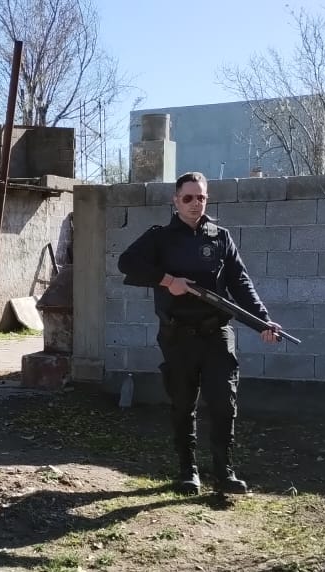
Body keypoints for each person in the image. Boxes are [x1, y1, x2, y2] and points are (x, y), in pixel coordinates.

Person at [117, 171, 283, 496]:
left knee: (224, 402)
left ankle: (224, 473)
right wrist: (168, 281)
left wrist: (263, 321)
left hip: (217, 333)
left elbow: (241, 283)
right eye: (188, 198)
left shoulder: (220, 237)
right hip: (178, 336)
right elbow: (127, 263)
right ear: (175, 201)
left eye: (202, 197)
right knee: (183, 404)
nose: (196, 204)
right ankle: (187, 472)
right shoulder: (160, 237)